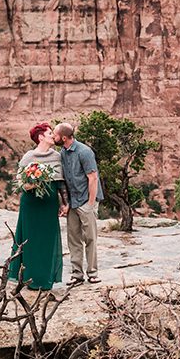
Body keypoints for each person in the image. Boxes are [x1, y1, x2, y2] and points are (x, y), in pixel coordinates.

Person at [8, 123, 65, 292]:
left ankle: (45, 280)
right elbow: (20, 183)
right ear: (40, 137)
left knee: (47, 239)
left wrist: (64, 203)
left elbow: (60, 183)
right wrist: (33, 184)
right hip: (31, 204)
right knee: (30, 240)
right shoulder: (28, 157)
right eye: (49, 133)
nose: (52, 136)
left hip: (49, 204)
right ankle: (29, 278)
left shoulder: (56, 157)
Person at [54, 121, 104, 285]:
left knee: (90, 238)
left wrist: (90, 204)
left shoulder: (84, 152)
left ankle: (93, 273)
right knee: (73, 238)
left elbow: (93, 178)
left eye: (55, 134)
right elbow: (66, 181)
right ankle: (77, 274)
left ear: (63, 137)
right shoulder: (63, 153)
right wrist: (67, 203)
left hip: (86, 200)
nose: (54, 137)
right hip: (73, 202)